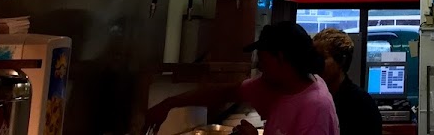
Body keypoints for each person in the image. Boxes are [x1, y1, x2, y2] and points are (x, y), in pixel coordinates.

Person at [144, 21, 339, 135]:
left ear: (280, 58)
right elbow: (225, 93)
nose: (259, 66)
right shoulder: (277, 85)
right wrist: (169, 103)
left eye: (262, 60)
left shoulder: (315, 107)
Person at [311, 29, 384, 135]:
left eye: (322, 57)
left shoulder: (361, 105)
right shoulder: (313, 98)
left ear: (341, 61)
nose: (316, 64)